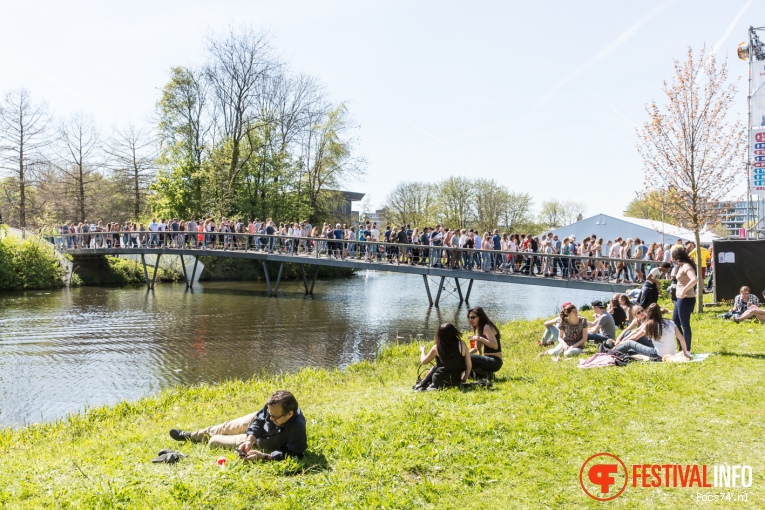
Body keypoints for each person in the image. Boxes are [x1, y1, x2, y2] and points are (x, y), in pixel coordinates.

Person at [168, 390, 307, 461]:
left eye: (274, 417)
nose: (270, 418)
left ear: (289, 414)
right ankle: (190, 436)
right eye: (269, 413)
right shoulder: (274, 408)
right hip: (255, 431)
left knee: (213, 441)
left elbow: (294, 455)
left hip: (263, 443)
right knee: (226, 427)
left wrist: (265, 457)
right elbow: (260, 420)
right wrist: (249, 439)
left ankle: (202, 438)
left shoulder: (297, 429)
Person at [611, 304, 692, 359]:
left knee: (629, 343)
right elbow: (681, 339)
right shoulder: (670, 322)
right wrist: (685, 353)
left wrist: (622, 342)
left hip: (657, 354)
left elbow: (635, 337)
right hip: (672, 353)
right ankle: (617, 349)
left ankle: (611, 351)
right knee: (630, 340)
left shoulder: (649, 324)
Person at [416, 323, 472, 390]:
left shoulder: (437, 347)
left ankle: (422, 384)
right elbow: (469, 366)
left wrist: (422, 351)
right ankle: (422, 383)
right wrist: (464, 379)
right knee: (437, 366)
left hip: (439, 382)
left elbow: (424, 361)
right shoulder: (462, 344)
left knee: (436, 366)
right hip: (456, 381)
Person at [671, 246, 698, 351]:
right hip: (679, 299)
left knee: (684, 324)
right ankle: (681, 348)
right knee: (675, 323)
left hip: (686, 298)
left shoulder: (686, 266)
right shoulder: (681, 266)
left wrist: (684, 290)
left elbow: (694, 279)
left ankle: (687, 349)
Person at [467, 306, 503, 380]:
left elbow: (494, 345)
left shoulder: (487, 327)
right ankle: (482, 375)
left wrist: (479, 338)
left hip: (495, 361)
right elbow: (476, 349)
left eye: (473, 317)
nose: (471, 320)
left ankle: (485, 374)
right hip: (488, 360)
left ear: (480, 317)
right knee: (466, 357)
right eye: (469, 318)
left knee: (468, 358)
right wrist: (464, 354)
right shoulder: (481, 328)